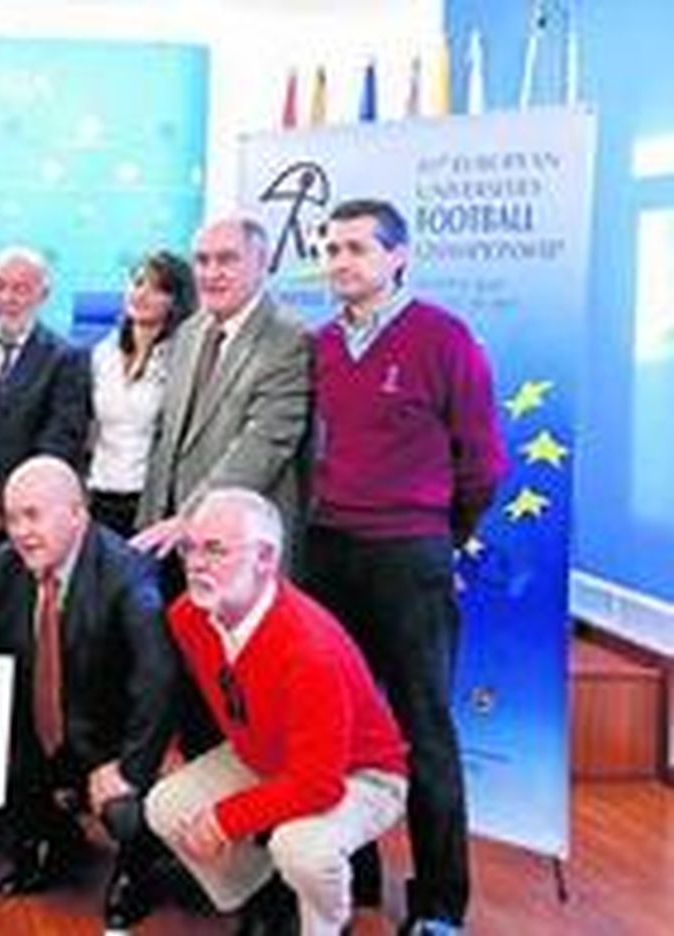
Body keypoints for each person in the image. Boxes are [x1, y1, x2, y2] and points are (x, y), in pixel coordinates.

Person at [304, 198, 508, 935]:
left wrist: (440, 538)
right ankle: (351, 873)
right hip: (326, 551)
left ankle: (439, 905)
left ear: (398, 257)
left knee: (423, 730)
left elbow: (483, 463)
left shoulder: (444, 338)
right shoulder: (321, 345)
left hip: (408, 556)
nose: (340, 262)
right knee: (336, 723)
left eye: (357, 247)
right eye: (331, 248)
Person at [145, 488, 408, 936]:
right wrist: (170, 749)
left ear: (266, 559)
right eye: (190, 547)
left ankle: (327, 923)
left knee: (301, 848)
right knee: (165, 806)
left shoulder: (309, 649)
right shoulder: (188, 616)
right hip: (266, 752)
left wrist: (224, 820)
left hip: (358, 772)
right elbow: (187, 692)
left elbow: (318, 784)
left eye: (215, 550)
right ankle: (262, 891)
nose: (195, 563)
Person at [0, 455, 182, 930]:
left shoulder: (128, 574)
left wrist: (129, 768)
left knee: (126, 812)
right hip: (35, 729)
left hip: (106, 741)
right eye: (12, 518)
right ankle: (51, 841)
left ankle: (137, 871)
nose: (20, 531)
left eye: (33, 515)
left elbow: (158, 680)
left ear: (78, 513)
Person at [134, 215, 311, 578]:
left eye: (226, 259)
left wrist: (191, 518)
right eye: (202, 260)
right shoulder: (189, 331)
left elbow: (262, 447)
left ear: (262, 265)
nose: (211, 272)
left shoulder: (289, 339)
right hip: (166, 543)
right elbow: (167, 438)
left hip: (234, 549)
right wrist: (150, 523)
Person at [0, 247, 89, 617]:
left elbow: (60, 441)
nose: (7, 298)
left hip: (25, 523)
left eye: (20, 289)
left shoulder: (66, 358)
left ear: (43, 295)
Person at [86, 250, 196, 536]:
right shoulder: (103, 353)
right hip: (98, 496)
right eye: (138, 283)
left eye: (158, 288)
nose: (143, 294)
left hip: (151, 504)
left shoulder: (184, 359)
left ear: (176, 301)